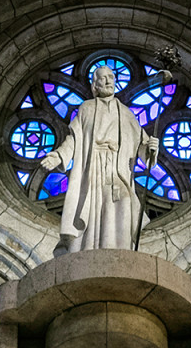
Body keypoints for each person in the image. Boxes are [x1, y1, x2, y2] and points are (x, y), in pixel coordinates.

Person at [39, 62, 159, 251]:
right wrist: (58, 156)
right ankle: (88, 251)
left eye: (111, 77)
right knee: (92, 207)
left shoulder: (126, 113)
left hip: (118, 169)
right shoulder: (86, 108)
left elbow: (141, 145)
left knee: (123, 202)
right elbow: (75, 138)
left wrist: (151, 149)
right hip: (93, 166)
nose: (108, 81)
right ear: (95, 86)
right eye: (102, 78)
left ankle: (121, 252)